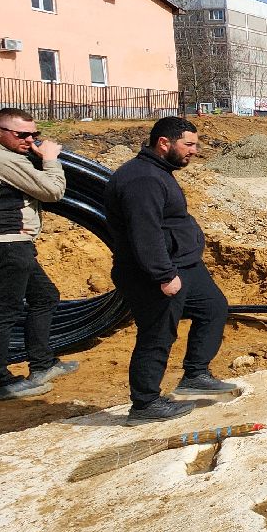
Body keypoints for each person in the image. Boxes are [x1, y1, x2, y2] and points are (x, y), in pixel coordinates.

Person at [106, 116, 236, 423]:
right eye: (188, 144)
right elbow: (145, 232)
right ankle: (145, 403)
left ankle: (195, 374)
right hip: (155, 273)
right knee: (157, 335)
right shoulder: (142, 179)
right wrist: (163, 275)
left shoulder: (157, 172)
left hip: (184, 265)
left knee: (213, 308)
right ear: (164, 143)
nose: (194, 150)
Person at [0, 109, 75, 401]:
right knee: (1, 312)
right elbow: (52, 191)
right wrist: (50, 160)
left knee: (44, 296)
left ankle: (43, 364)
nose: (30, 140)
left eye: (35, 135)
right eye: (21, 135)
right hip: (4, 243)